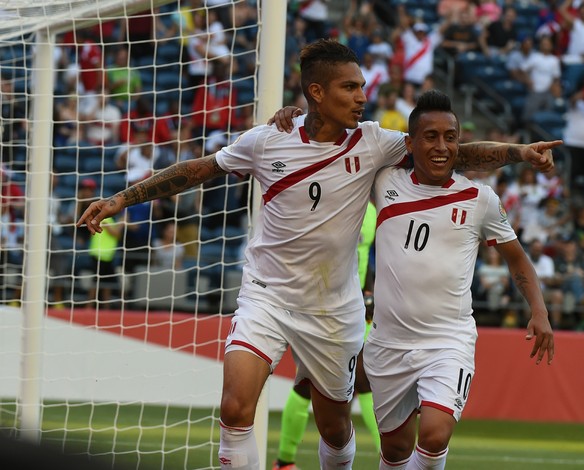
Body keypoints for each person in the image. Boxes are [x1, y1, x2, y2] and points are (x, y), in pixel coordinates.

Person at [78, 39, 558, 470]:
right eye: (350, 87)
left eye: (362, 87)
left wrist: (518, 153)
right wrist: (122, 198)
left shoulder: (372, 143)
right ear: (316, 92)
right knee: (235, 408)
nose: (362, 97)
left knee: (334, 429)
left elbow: (448, 152)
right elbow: (200, 168)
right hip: (266, 294)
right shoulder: (268, 141)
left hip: (333, 310)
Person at [363, 90, 554, 469]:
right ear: (410, 143)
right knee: (396, 451)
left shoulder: (480, 199)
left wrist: (539, 310)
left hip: (448, 341)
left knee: (434, 435)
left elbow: (517, 259)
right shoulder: (382, 182)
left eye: (450, 137)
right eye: (430, 137)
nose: (441, 146)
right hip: (388, 342)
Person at [273, 201, 379, 470]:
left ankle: (392, 458)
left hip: (356, 307)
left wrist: (370, 292)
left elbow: (365, 257)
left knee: (365, 380)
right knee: (306, 385)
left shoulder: (371, 212)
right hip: (318, 306)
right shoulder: (325, 202)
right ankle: (285, 460)